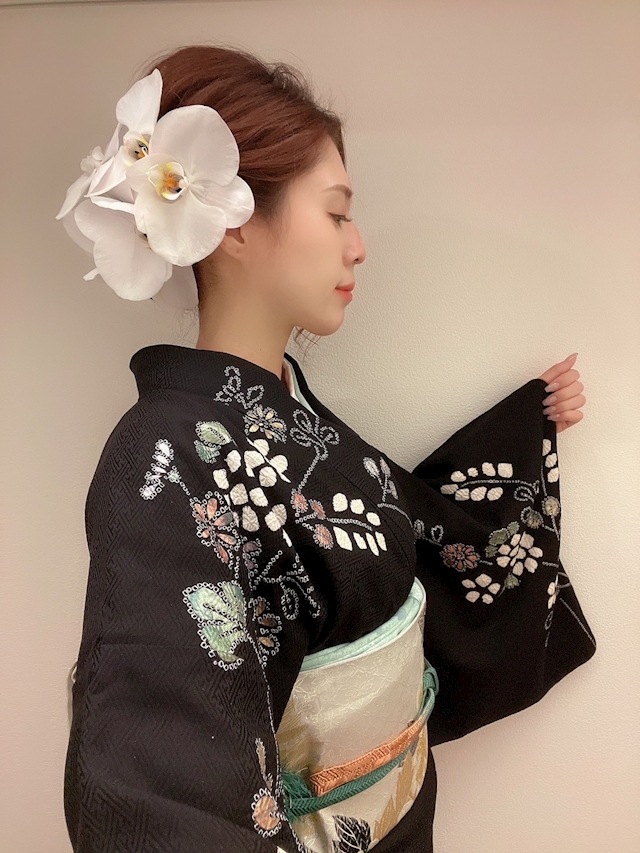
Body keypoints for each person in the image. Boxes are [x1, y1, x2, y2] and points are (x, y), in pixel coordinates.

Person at [58, 44, 595, 853]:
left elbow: (388, 527)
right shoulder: (162, 463)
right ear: (234, 222)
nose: (359, 245)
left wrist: (524, 429)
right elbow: (154, 771)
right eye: (338, 213)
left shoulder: (286, 405)